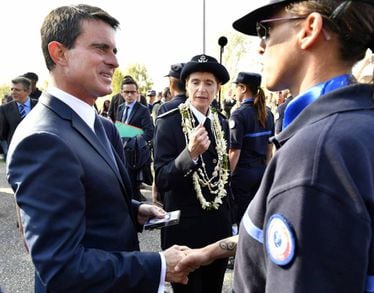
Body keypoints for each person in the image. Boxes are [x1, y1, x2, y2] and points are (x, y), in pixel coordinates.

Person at [176, 0, 374, 292]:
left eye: (266, 30)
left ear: (310, 29)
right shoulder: (358, 125)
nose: (260, 46)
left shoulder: (317, 154)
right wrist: (210, 252)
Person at [6, 5, 193, 292]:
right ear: (59, 53)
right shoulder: (42, 139)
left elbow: (88, 200)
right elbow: (62, 267)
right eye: (101, 49)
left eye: (115, 51)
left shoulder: (101, 125)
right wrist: (160, 265)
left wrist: (135, 210)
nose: (114, 62)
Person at [154, 54, 233, 293]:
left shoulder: (221, 122)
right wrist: (190, 154)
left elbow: (224, 177)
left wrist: (232, 220)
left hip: (217, 229)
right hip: (184, 233)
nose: (202, 89)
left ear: (217, 88)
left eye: (209, 83)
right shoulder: (169, 122)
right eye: (196, 82)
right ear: (186, 85)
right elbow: (163, 178)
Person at [228, 72, 274, 226]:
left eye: (236, 87)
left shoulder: (238, 115)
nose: (235, 91)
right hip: (260, 170)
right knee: (255, 216)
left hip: (242, 174)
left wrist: (227, 178)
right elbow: (269, 147)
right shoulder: (267, 113)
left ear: (243, 88)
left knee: (241, 217)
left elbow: (234, 151)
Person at [0, 76, 38, 155]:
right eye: (12, 89)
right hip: (15, 153)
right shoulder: (4, 109)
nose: (13, 92)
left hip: (37, 150)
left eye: (17, 90)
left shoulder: (39, 105)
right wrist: (7, 152)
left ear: (28, 91)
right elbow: (3, 135)